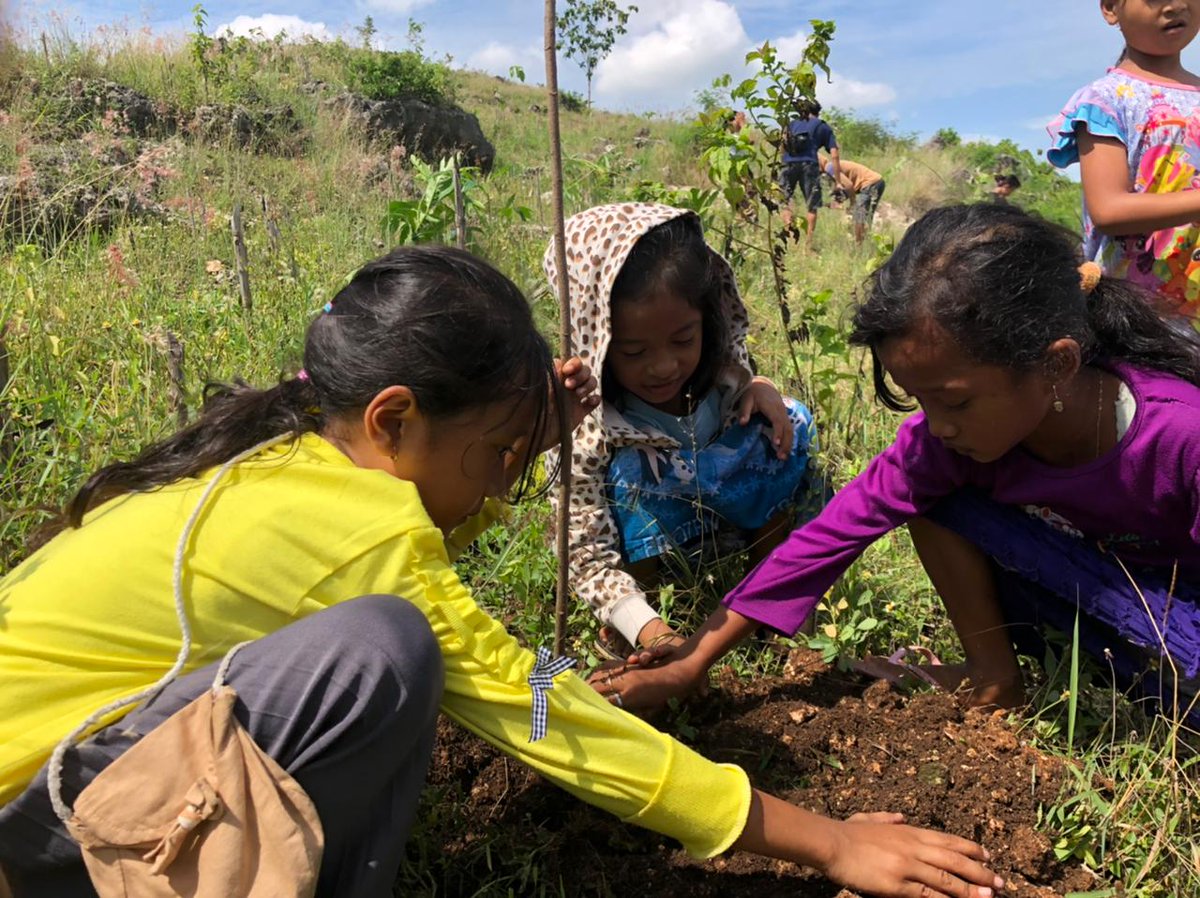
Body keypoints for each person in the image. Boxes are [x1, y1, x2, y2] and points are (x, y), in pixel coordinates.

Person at [0, 245, 1004, 898]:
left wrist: (517, 440)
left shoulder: (289, 467)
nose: (501, 489)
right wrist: (827, 840)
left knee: (390, 648)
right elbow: (544, 719)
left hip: (50, 775)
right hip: (35, 824)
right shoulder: (370, 546)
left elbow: (410, 545)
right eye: (498, 457)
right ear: (395, 419)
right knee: (385, 654)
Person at [593, 203, 1200, 730]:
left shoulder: (1181, 435)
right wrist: (694, 659)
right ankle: (995, 680)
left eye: (956, 400)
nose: (937, 427)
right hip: (1091, 604)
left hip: (1180, 626)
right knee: (933, 496)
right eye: (922, 400)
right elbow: (826, 539)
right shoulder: (947, 441)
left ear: (1056, 365)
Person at [545, 202, 820, 661]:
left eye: (682, 340)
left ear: (707, 323)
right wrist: (650, 630)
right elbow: (584, 549)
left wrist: (761, 387)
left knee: (783, 423)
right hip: (645, 565)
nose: (664, 367)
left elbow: (754, 400)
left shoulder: (723, 380)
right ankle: (631, 625)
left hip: (721, 530)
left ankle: (772, 600)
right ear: (596, 341)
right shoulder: (587, 428)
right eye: (633, 351)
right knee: (634, 470)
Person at [1047, 0, 1200, 326]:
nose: (1175, 6)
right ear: (1111, 9)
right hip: (1136, 323)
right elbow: (1108, 210)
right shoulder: (1106, 100)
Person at [778, 98, 840, 249]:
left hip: (788, 163)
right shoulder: (822, 126)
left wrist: (782, 163)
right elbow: (835, 154)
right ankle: (807, 245)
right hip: (809, 166)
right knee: (812, 206)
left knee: (784, 201)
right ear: (818, 111)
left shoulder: (792, 124)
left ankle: (791, 238)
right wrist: (837, 181)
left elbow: (782, 146)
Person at [820, 150, 886, 245]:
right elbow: (841, 191)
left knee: (859, 214)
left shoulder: (830, 168)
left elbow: (849, 185)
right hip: (872, 183)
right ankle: (864, 242)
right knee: (864, 216)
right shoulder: (829, 169)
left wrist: (852, 203)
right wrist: (831, 203)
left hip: (871, 183)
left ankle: (859, 246)